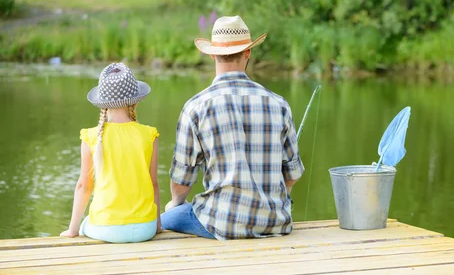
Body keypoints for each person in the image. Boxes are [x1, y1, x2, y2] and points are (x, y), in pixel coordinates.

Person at [161, 15, 304, 240]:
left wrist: (175, 204)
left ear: (211, 53)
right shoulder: (278, 104)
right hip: (274, 223)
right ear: (248, 52)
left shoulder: (196, 107)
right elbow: (293, 175)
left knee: (161, 220)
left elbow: (181, 180)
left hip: (219, 222)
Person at [60, 63, 161, 243]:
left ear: (102, 103)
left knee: (84, 225)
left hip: (106, 228)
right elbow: (154, 184)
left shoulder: (91, 136)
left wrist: (72, 230)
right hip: (146, 228)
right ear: (135, 101)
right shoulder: (149, 135)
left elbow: (84, 186)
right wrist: (157, 226)